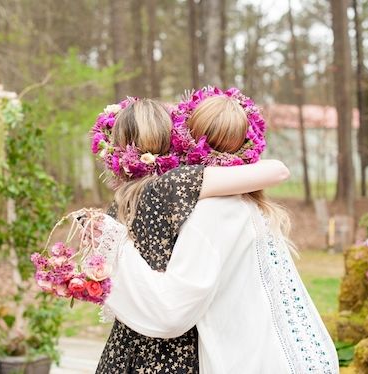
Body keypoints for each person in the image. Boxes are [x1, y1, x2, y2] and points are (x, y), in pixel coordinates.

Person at [102, 94, 340, 373]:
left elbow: (171, 311)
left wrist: (112, 248)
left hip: (244, 359)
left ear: (188, 141)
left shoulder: (209, 214)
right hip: (290, 354)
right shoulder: (251, 204)